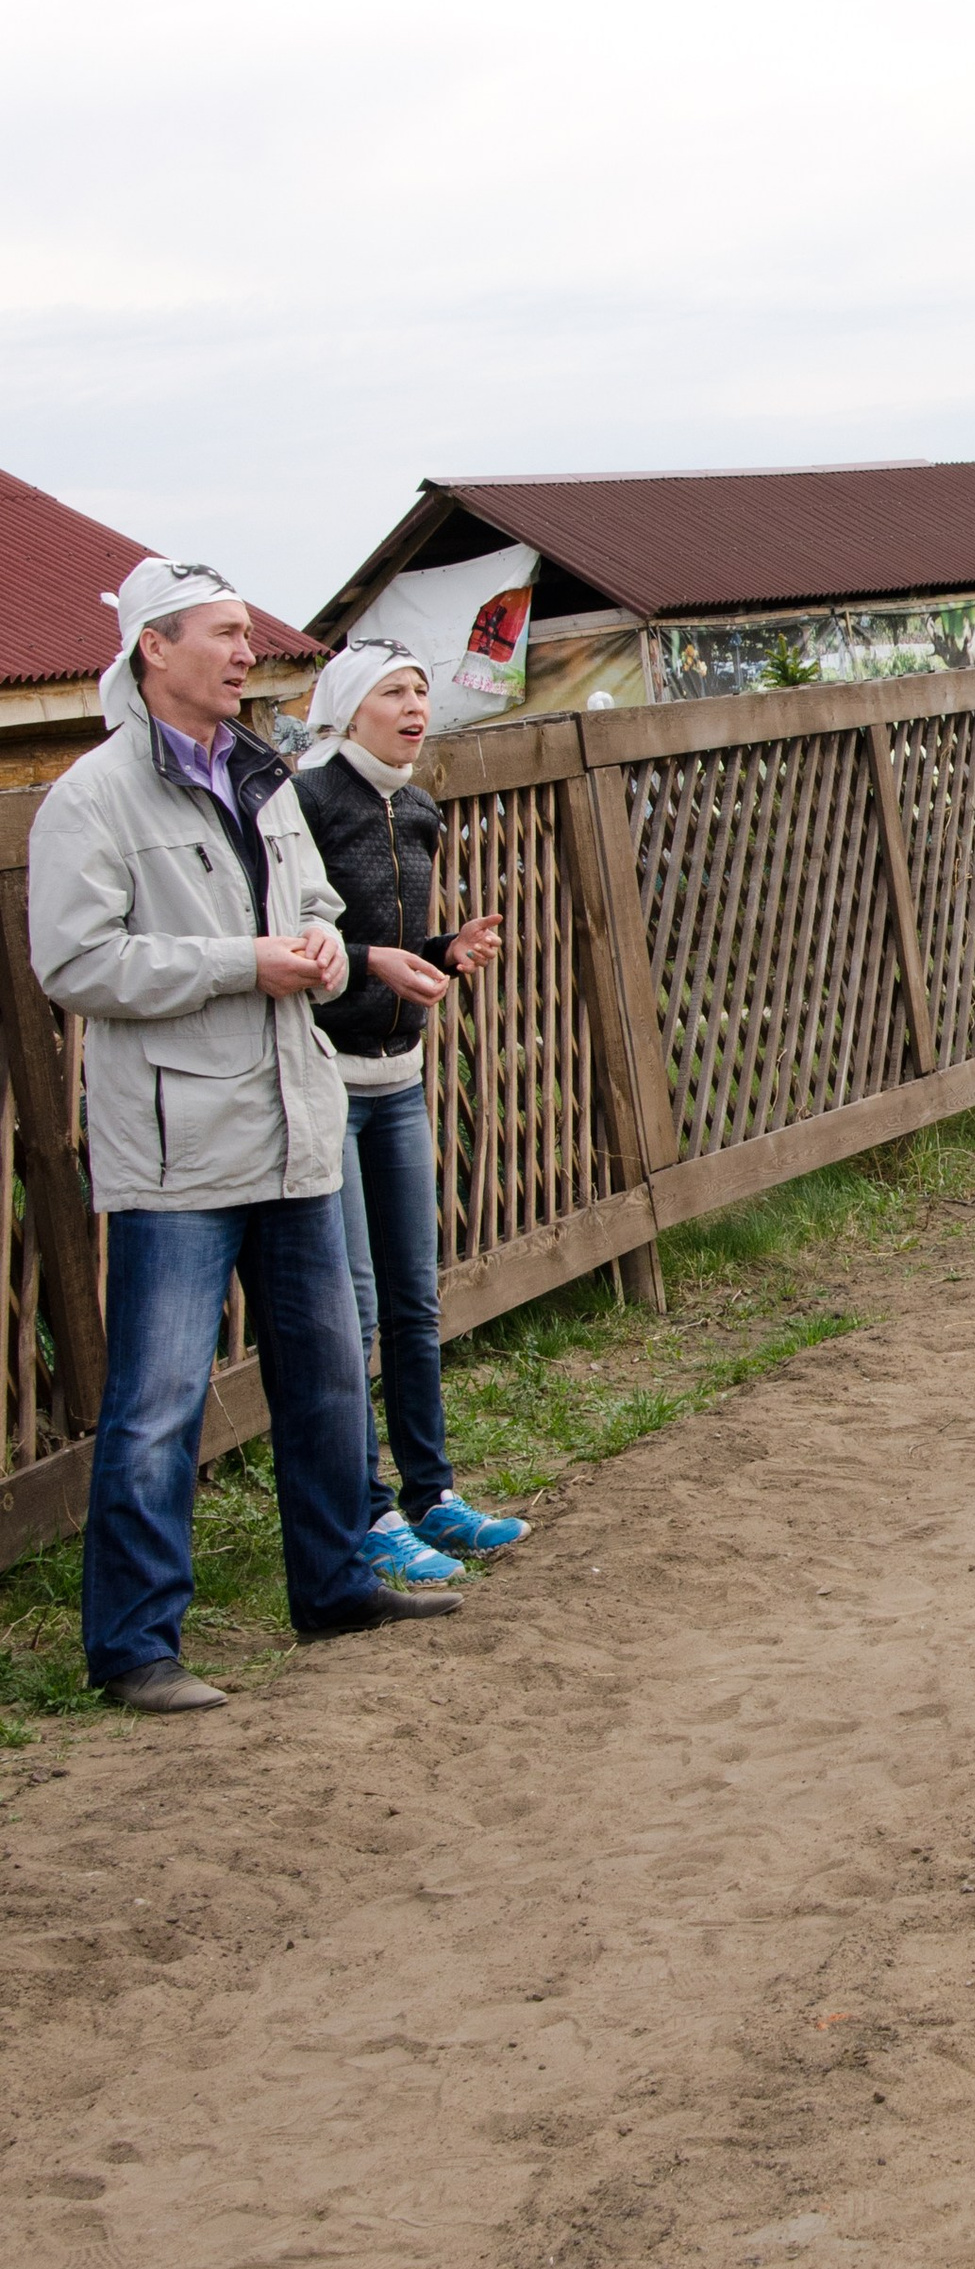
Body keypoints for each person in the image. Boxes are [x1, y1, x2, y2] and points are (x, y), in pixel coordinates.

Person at [26, 562, 446, 1711]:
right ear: (152, 649)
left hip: (293, 1121)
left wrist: (324, 946)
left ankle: (336, 1584)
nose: (244, 651)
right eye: (222, 634)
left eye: (245, 633)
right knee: (159, 1403)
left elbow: (312, 901)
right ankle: (134, 1647)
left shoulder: (266, 781)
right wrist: (240, 964)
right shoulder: (94, 797)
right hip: (178, 1148)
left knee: (323, 1375)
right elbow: (73, 961)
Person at [293, 642, 530, 1581]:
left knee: (411, 1300)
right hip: (326, 1078)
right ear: (348, 708)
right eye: (393, 691)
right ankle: (366, 1511)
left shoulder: (418, 807)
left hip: (401, 1079)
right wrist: (375, 961)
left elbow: (388, 943)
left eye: (422, 690)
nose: (414, 705)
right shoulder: (307, 802)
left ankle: (433, 1496)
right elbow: (307, 937)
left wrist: (441, 946)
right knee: (349, 1312)